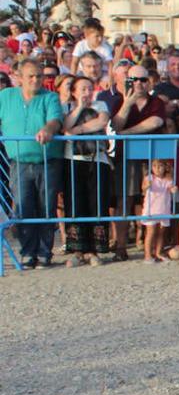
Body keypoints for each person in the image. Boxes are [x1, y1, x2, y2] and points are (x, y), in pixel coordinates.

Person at [0, 59, 65, 268]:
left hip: (47, 160)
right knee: (23, 207)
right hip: (18, 162)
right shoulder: (5, 97)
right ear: (19, 77)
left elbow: (55, 120)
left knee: (46, 206)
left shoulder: (50, 97)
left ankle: (45, 253)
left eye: (39, 75)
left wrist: (48, 129)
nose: (36, 80)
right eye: (31, 76)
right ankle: (28, 253)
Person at [61, 75, 113, 265]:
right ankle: (77, 250)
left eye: (90, 88)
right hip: (73, 160)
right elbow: (64, 126)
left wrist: (77, 131)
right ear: (74, 92)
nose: (87, 92)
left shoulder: (100, 105)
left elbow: (101, 122)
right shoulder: (66, 108)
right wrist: (80, 107)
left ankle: (94, 250)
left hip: (97, 159)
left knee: (96, 203)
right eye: (82, 89)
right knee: (75, 203)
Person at [141, 158, 176, 263]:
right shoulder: (149, 178)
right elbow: (143, 189)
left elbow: (170, 188)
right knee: (150, 232)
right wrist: (147, 186)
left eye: (160, 166)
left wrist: (173, 189)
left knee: (161, 232)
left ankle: (158, 252)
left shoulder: (168, 179)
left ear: (165, 167)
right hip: (151, 209)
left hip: (164, 209)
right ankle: (147, 255)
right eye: (154, 166)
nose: (157, 169)